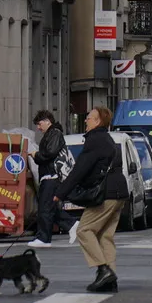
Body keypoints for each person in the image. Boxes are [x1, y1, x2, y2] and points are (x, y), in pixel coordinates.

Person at [54, 107, 128, 293]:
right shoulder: (108, 139)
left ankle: (103, 270)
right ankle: (110, 279)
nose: (85, 120)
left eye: (88, 118)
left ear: (97, 122)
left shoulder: (95, 140)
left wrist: (61, 193)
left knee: (84, 230)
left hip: (106, 194)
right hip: (119, 192)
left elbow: (80, 170)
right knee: (105, 236)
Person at [29, 109, 78, 248]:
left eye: (39, 124)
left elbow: (49, 153)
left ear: (47, 121)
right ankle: (72, 224)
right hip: (49, 176)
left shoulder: (55, 133)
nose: (38, 128)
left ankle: (44, 238)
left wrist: (36, 155)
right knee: (48, 207)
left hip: (52, 176)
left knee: (45, 207)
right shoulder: (53, 134)